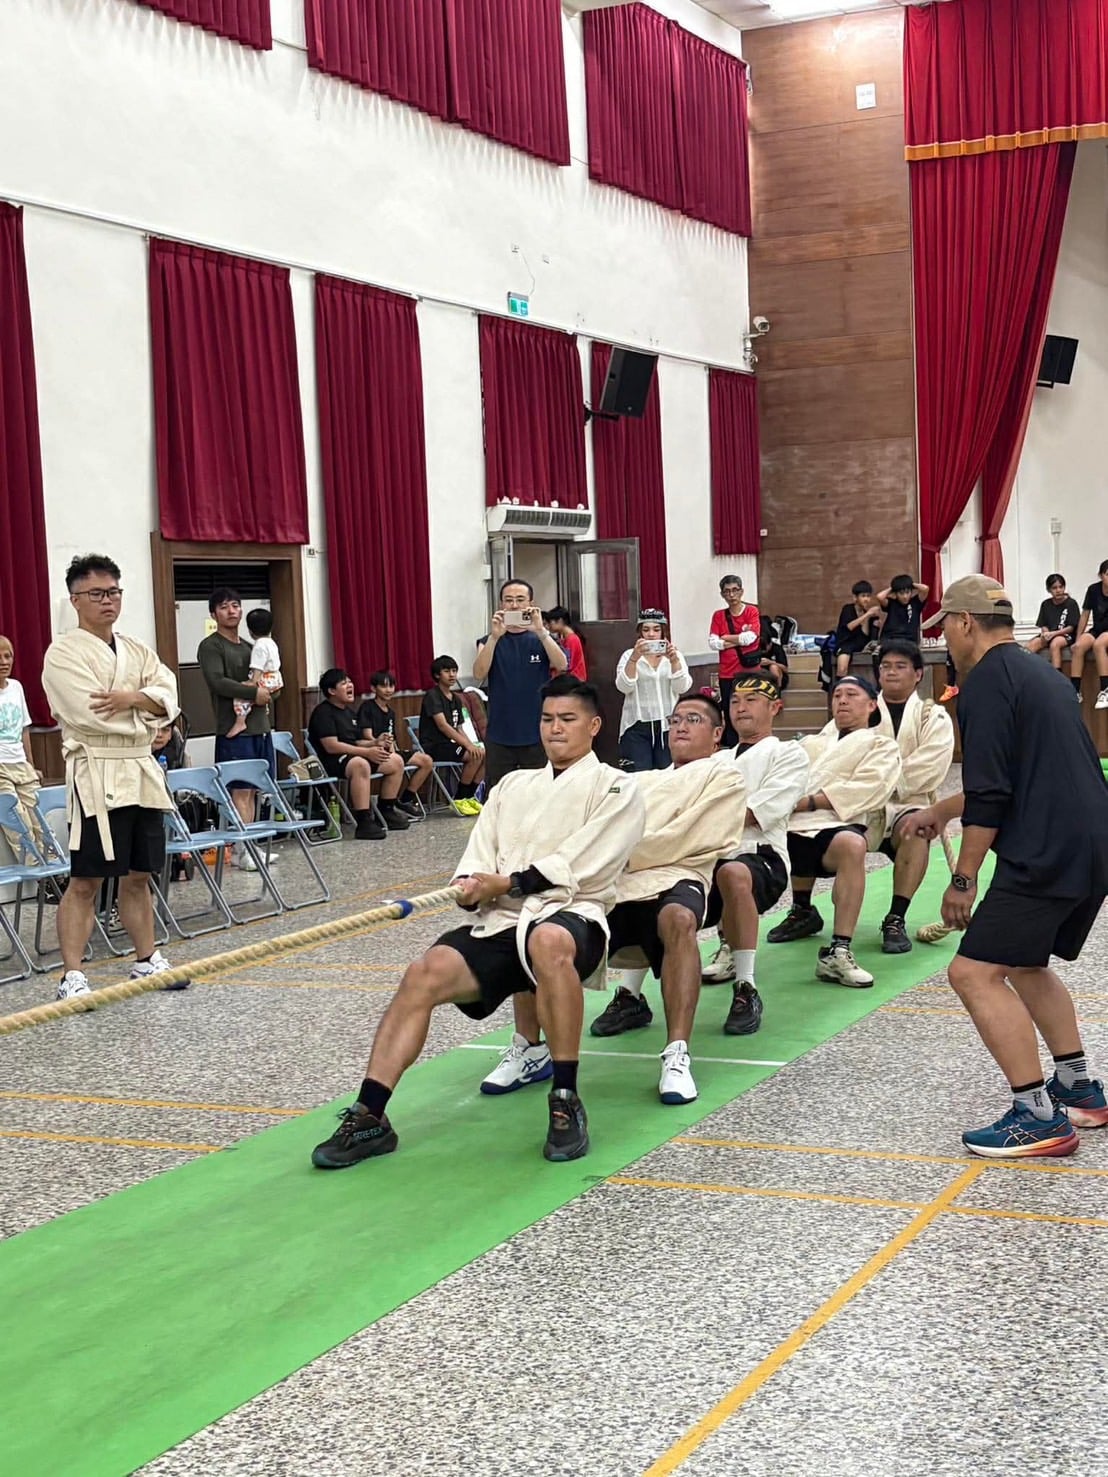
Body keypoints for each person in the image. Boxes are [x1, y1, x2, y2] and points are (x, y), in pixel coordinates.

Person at [310, 676, 645, 1169]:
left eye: (567, 719)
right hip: (503, 919)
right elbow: (480, 850)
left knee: (549, 941)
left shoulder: (617, 785)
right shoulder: (513, 785)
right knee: (423, 973)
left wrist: (510, 882)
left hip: (572, 915)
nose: (555, 729)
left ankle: (566, 1098)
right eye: (547, 719)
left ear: (593, 726)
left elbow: (589, 860)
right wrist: (469, 885)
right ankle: (370, 1115)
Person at [911, 574, 1108, 1157]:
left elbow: (993, 795)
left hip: (1045, 851)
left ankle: (1037, 1117)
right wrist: (942, 810)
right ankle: (1078, 1088)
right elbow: (1023, 772)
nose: (945, 639)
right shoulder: (1038, 673)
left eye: (946, 627)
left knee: (972, 973)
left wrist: (963, 879)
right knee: (1023, 963)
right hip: (1091, 843)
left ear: (965, 622)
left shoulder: (985, 684)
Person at [41, 554, 188, 1000]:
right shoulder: (62, 654)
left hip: (141, 769)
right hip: (97, 772)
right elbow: (90, 713)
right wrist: (146, 709)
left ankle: (146, 959)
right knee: (86, 879)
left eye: (114, 592)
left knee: (140, 874)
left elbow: (169, 694)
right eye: (97, 594)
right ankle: (72, 975)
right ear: (75, 600)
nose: (108, 601)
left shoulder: (136, 648)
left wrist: (132, 699)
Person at [767, 674, 901, 987]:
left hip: (834, 824)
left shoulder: (880, 744)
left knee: (853, 845)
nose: (842, 700)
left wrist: (809, 802)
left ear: (872, 705)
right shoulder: (810, 744)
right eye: (837, 695)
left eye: (851, 695)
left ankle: (839, 951)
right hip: (786, 823)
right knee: (734, 845)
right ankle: (733, 950)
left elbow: (870, 788)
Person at [697, 673, 810, 1034]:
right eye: (734, 701)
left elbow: (757, 813)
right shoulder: (716, 758)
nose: (741, 707)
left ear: (775, 707)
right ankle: (630, 993)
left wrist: (698, 817)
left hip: (761, 856)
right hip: (709, 854)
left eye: (751, 700)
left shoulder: (788, 753)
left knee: (733, 871)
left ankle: (746, 985)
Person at [871, 640, 955, 953]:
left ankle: (895, 918)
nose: (891, 672)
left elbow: (931, 765)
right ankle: (802, 908)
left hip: (908, 802)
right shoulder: (860, 708)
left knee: (918, 830)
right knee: (809, 822)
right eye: (885, 666)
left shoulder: (933, 716)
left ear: (918, 674)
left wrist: (876, 780)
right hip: (861, 804)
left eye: (900, 666)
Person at [197, 588, 276, 867]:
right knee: (239, 791)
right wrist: (254, 693)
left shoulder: (251, 646)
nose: (231, 611)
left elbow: (268, 677)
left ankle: (249, 847)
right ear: (213, 614)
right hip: (233, 730)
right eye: (223, 607)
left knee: (253, 790)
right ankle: (243, 850)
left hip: (260, 726)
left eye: (235, 605)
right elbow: (217, 682)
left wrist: (270, 690)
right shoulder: (211, 646)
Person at [473, 579, 567, 791]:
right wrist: (495, 637)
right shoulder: (489, 640)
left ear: (531, 603)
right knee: (498, 794)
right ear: (501, 605)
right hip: (499, 734)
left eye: (520, 599)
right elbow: (479, 674)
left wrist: (541, 631)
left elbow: (562, 664)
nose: (514, 605)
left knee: (538, 793)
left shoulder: (541, 638)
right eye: (508, 600)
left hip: (536, 732)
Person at [307, 669, 409, 839]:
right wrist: (367, 752)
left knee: (395, 761)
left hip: (353, 755)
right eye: (344, 683)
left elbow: (356, 741)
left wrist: (375, 743)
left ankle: (386, 811)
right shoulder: (323, 712)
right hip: (330, 761)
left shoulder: (349, 713)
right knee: (360, 764)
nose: (350, 686)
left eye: (350, 682)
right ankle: (363, 821)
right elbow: (331, 746)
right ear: (331, 691)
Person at [614, 609, 691, 771]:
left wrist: (674, 661)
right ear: (640, 633)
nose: (651, 635)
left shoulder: (674, 655)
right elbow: (624, 687)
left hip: (668, 725)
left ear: (663, 632)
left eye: (656, 630)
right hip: (636, 725)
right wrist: (634, 659)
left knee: (667, 775)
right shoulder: (628, 655)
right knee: (638, 776)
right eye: (646, 629)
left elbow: (682, 687)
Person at [358, 670, 431, 819]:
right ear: (373, 688)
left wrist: (394, 750)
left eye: (391, 686)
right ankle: (386, 807)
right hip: (374, 750)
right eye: (384, 686)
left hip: (391, 751)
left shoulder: (390, 712)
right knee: (396, 761)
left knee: (426, 761)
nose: (389, 690)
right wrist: (379, 743)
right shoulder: (367, 707)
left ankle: (405, 800)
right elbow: (367, 735)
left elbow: (392, 739)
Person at [418, 656, 486, 814]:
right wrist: (468, 746)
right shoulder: (432, 696)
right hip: (434, 746)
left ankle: (470, 796)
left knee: (484, 753)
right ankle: (459, 798)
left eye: (454, 671)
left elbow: (459, 728)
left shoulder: (455, 698)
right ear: (437, 675)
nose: (452, 675)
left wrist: (472, 744)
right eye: (447, 671)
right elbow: (443, 726)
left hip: (451, 745)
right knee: (472, 755)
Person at [0, 635, 43, 847]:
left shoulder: (16, 687)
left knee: (40, 821)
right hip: (1, 767)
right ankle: (32, 866)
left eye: (8, 656)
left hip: (20, 763)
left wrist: (31, 765)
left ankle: (51, 865)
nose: (4, 662)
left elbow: (24, 729)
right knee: (19, 825)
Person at [709, 574, 761, 745]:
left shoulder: (751, 611)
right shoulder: (718, 615)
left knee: (752, 710)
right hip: (727, 673)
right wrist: (737, 639)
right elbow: (713, 643)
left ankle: (753, 744)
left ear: (741, 591)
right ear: (722, 594)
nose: (731, 595)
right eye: (727, 591)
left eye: (735, 590)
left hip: (749, 671)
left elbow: (750, 638)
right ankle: (733, 747)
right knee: (730, 711)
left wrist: (726, 638)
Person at [226, 607, 282, 740]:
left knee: (241, 696)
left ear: (250, 630)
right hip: (276, 678)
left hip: (266, 678)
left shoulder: (259, 646)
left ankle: (240, 722)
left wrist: (253, 682)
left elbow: (258, 666)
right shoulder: (271, 642)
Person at [1070, 558, 1108, 709]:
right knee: (1079, 647)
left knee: (1099, 645)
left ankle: (1105, 689)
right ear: (1101, 575)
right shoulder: (1093, 590)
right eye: (1107, 574)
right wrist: (1078, 637)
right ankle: (1075, 690)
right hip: (1097, 629)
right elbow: (1085, 614)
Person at [1027, 573, 1081, 678]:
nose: (1058, 590)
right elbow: (1043, 624)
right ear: (1049, 590)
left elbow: (1071, 627)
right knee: (1030, 646)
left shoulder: (1071, 603)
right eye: (1054, 588)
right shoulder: (1045, 604)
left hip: (1066, 634)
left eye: (1061, 587)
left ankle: (1057, 677)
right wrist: (1046, 633)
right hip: (1050, 633)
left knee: (1055, 644)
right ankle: (1028, 675)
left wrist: (1054, 634)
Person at [834, 581, 881, 677]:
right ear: (855, 598)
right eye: (863, 596)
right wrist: (867, 615)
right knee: (842, 668)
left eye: (868, 596)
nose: (866, 599)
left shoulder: (868, 614)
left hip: (861, 645)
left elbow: (865, 635)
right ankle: (840, 684)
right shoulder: (848, 609)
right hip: (846, 644)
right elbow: (849, 626)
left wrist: (873, 621)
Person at [877, 574, 929, 646]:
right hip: (890, 639)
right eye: (901, 593)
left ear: (911, 591)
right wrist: (894, 587)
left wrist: (910, 584)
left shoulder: (916, 602)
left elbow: (925, 589)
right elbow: (880, 597)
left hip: (910, 640)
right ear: (895, 594)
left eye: (907, 592)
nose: (905, 596)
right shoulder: (891, 603)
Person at [544, 607, 587, 679]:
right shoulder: (564, 638)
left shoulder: (572, 639)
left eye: (550, 622)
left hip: (573, 680)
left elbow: (567, 664)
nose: (548, 626)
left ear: (560, 621)